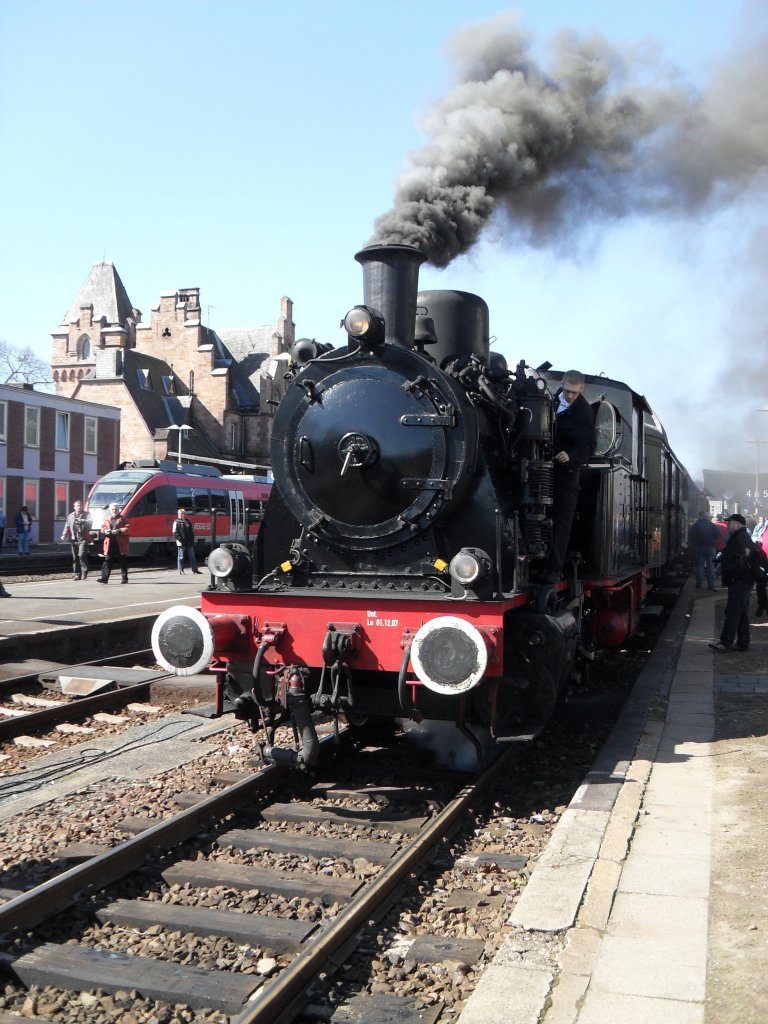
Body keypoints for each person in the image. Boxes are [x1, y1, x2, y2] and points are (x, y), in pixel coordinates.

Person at [545, 370, 596, 581]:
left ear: (582, 389)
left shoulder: (584, 412)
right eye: (567, 391)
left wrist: (571, 455)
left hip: (566, 472)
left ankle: (554, 569)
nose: (570, 396)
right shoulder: (550, 400)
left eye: (574, 392)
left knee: (561, 521)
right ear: (562, 384)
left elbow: (589, 446)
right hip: (543, 468)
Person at [710, 513, 755, 653]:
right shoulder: (741, 537)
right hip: (743, 580)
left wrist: (729, 569)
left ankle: (725, 642)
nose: (728, 524)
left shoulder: (741, 538)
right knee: (741, 613)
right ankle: (743, 642)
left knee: (733, 612)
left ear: (737, 524)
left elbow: (742, 560)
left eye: (730, 522)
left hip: (740, 581)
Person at [97, 503, 130, 584]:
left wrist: (118, 531)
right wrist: (104, 530)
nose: (114, 511)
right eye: (112, 509)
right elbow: (103, 527)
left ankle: (124, 578)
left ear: (118, 510)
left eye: (116, 509)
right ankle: (104, 579)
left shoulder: (123, 519)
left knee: (122, 561)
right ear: (110, 510)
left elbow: (128, 529)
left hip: (120, 544)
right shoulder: (107, 518)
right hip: (109, 543)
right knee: (107, 560)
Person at [61, 499, 93, 580]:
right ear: (74, 507)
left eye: (80, 506)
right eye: (77, 506)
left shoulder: (86, 514)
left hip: (83, 538)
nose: (79, 507)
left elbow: (90, 522)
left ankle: (84, 572)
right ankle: (77, 574)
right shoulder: (71, 516)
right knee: (75, 557)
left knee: (81, 555)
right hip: (73, 538)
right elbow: (67, 526)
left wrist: (82, 521)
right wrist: (64, 535)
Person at [688, 511, 720, 590]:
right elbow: (718, 535)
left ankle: (699, 583)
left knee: (700, 566)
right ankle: (711, 584)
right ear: (708, 518)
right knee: (711, 566)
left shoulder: (696, 525)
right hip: (711, 548)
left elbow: (691, 535)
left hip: (700, 548)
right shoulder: (713, 525)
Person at [172, 508, 202, 575]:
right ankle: (181, 570)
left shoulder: (188, 521)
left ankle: (195, 570)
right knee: (181, 556)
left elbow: (191, 532)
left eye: (181, 513)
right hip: (181, 542)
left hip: (189, 542)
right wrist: (181, 540)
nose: (180, 515)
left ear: (184, 514)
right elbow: (175, 533)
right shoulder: (176, 522)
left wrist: (191, 540)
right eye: (179, 514)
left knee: (192, 556)